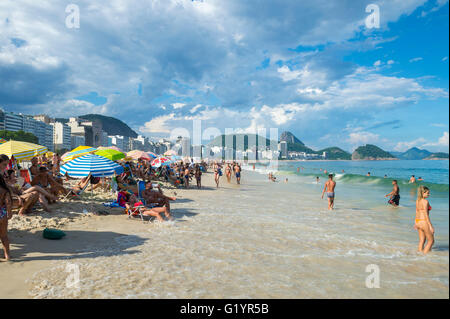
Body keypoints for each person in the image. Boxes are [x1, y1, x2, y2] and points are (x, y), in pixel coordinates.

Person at [0, 154, 13, 260]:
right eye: (4, 164)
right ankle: (7, 255)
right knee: (4, 236)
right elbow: (8, 201)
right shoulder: (4, 189)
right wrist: (9, 212)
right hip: (2, 213)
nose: (6, 167)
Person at [414, 186, 434, 254]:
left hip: (418, 222)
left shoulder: (417, 201)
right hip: (424, 222)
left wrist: (416, 223)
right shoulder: (425, 201)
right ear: (423, 193)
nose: (429, 194)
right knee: (431, 241)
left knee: (422, 240)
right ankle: (424, 257)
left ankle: (419, 255)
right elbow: (426, 214)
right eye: (428, 193)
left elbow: (417, 212)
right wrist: (430, 226)